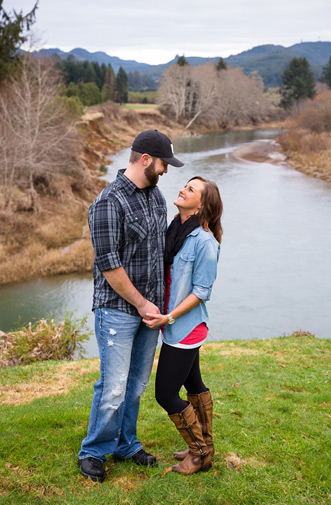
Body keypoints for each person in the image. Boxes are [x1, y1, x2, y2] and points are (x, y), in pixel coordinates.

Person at [79, 129, 184, 482]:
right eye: (163, 163)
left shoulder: (155, 196)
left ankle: (126, 444)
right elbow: (109, 266)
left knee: (136, 384)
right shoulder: (108, 203)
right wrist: (141, 304)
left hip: (149, 312)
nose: (166, 170)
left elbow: (160, 250)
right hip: (118, 311)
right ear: (145, 160)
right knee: (112, 386)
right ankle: (93, 451)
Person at [143, 176, 222, 475]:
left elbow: (202, 291)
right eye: (185, 185)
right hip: (175, 326)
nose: (182, 189)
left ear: (202, 204)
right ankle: (202, 448)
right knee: (195, 386)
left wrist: (169, 317)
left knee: (165, 393)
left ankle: (199, 454)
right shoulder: (176, 229)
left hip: (185, 328)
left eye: (191, 189)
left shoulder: (204, 241)